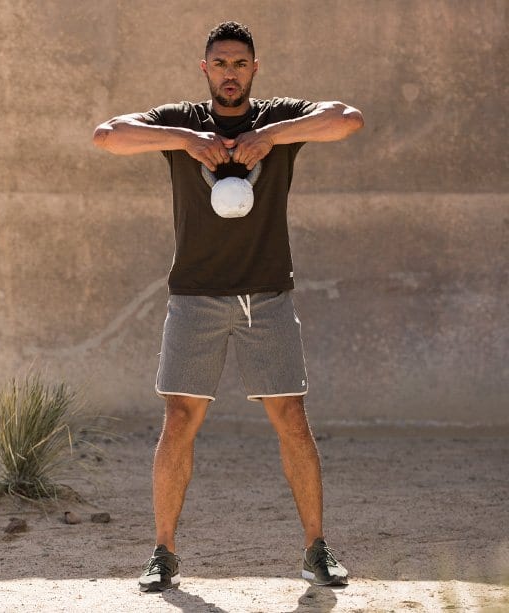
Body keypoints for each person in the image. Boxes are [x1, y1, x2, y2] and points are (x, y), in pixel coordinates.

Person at [92, 21, 363, 593]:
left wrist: (276, 135)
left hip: (268, 294)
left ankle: (316, 548)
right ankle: (163, 552)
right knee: (179, 421)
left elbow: (348, 118)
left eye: (240, 64)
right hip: (195, 295)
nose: (231, 73)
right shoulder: (183, 123)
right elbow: (107, 134)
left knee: (292, 420)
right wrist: (186, 143)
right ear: (205, 68)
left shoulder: (277, 119)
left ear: (254, 69)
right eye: (221, 64)